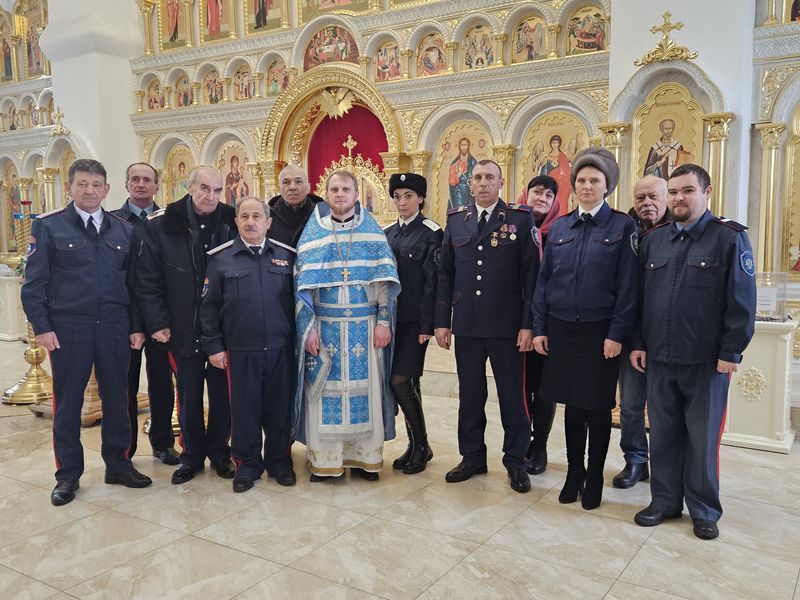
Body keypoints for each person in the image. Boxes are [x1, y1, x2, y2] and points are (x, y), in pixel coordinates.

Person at [631, 164, 756, 541]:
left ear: (707, 193)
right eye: (673, 192)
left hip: (706, 362)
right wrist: (638, 342)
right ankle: (665, 501)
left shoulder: (729, 238)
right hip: (660, 358)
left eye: (687, 190)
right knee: (664, 435)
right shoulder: (655, 241)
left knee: (702, 440)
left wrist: (731, 351)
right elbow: (640, 299)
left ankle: (703, 509)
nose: (678, 198)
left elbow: (741, 301)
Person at [21, 159, 152, 506]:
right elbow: (33, 285)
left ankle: (119, 464)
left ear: (107, 190)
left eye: (96, 185)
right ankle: (67, 475)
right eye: (82, 184)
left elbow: (136, 285)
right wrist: (42, 328)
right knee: (68, 403)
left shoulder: (123, 229)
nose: (90, 191)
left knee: (118, 399)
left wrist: (137, 328)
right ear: (69, 187)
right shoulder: (49, 227)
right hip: (68, 328)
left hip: (114, 327)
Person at [532, 147, 638, 510]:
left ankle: (594, 476)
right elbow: (544, 283)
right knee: (572, 407)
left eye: (595, 180)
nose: (587, 186)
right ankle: (573, 473)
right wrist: (540, 327)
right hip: (562, 330)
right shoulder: (561, 227)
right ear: (573, 185)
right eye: (581, 180)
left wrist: (616, 334)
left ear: (607, 186)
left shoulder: (622, 226)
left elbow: (628, 286)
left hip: (600, 333)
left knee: (596, 408)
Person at [436, 160, 538, 494]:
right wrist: (442, 322)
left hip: (507, 326)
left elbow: (530, 277)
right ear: (469, 182)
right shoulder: (456, 219)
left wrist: (528, 325)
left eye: (489, 178)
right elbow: (445, 274)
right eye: (477, 177)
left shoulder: (520, 219)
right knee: (470, 394)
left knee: (512, 396)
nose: (482, 183)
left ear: (500, 182)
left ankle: (516, 462)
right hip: (467, 324)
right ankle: (472, 457)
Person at [293, 170, 400, 482]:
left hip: (365, 327)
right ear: (327, 195)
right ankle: (327, 462)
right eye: (334, 189)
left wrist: (382, 321)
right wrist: (308, 328)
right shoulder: (313, 234)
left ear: (356, 195)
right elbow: (303, 288)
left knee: (367, 391)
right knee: (323, 390)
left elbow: (383, 282)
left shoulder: (372, 232)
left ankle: (364, 460)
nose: (340, 194)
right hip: (324, 327)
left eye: (346, 189)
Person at [136, 165, 236, 485]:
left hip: (222, 330)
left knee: (222, 396)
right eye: (204, 188)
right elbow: (148, 278)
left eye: (217, 190)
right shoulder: (162, 223)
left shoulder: (232, 220)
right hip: (182, 327)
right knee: (189, 395)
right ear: (190, 187)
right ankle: (191, 455)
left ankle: (220, 452)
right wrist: (156, 322)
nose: (211, 196)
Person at [200, 197, 297, 492]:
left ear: (268, 222)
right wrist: (214, 346)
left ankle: (280, 461)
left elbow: (298, 304)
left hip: (280, 349)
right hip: (240, 350)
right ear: (237, 222)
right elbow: (208, 307)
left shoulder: (287, 256)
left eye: (257, 216)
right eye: (244, 216)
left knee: (279, 409)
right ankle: (247, 464)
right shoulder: (220, 258)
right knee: (244, 409)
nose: (251, 221)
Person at [111, 163, 178, 466]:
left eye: (147, 180)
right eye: (135, 179)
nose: (140, 184)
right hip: (124, 318)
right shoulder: (112, 222)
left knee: (162, 382)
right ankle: (124, 450)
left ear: (156, 186)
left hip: (161, 318)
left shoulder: (169, 221)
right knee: (125, 384)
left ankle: (163, 443)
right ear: (126, 184)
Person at [612, 175, 670, 489]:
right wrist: (632, 339)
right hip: (632, 337)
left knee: (665, 408)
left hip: (668, 338)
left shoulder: (680, 232)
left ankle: (666, 465)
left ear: (667, 197)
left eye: (653, 197)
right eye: (640, 198)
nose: (647, 203)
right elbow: (626, 292)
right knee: (632, 405)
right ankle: (635, 460)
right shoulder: (625, 232)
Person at [383, 173, 442, 474]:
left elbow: (434, 283)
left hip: (414, 323)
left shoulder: (432, 233)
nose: (402, 201)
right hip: (390, 322)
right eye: (397, 196)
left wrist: (427, 326)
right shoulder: (387, 233)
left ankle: (422, 445)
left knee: (400, 381)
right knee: (410, 382)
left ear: (420, 198)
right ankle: (414, 444)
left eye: (408, 195)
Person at [522, 175, 560, 475]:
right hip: (519, 322)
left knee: (545, 387)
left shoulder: (561, 231)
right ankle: (522, 439)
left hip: (549, 323)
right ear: (526, 194)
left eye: (549, 194)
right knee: (521, 384)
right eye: (537, 192)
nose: (542, 198)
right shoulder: (511, 228)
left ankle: (540, 444)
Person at [267, 164, 323, 248]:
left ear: (308, 187)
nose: (292, 187)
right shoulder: (267, 217)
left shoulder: (322, 215)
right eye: (286, 182)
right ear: (279, 188)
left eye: (298, 181)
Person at [448, 138, 477, 209]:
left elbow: (476, 177)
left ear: (468, 146)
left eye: (465, 145)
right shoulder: (455, 162)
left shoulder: (472, 162)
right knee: (458, 209)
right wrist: (457, 176)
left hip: (468, 191)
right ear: (459, 147)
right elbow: (451, 180)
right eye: (462, 145)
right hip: (457, 190)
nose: (464, 147)